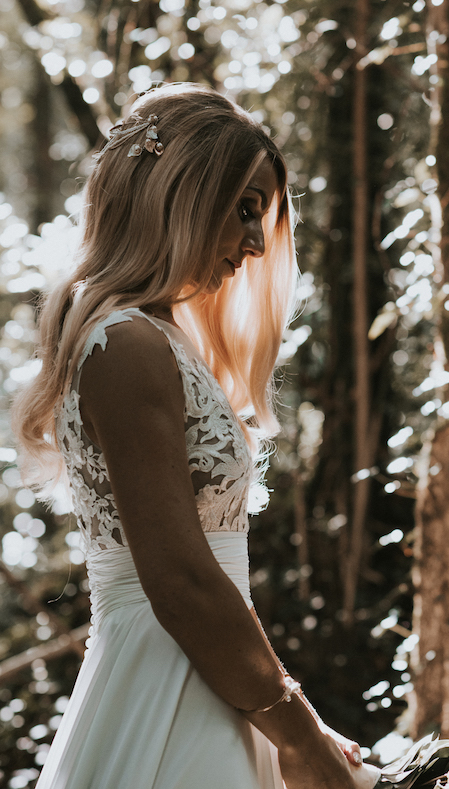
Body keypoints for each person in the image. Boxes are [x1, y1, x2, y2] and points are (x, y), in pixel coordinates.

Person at [12, 84, 379, 789]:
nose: (254, 240)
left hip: (215, 680)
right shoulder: (128, 345)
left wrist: (300, 726)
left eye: (263, 217)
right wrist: (296, 732)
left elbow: (210, 581)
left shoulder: (155, 340)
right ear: (178, 194)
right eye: (244, 208)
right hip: (171, 689)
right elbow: (181, 583)